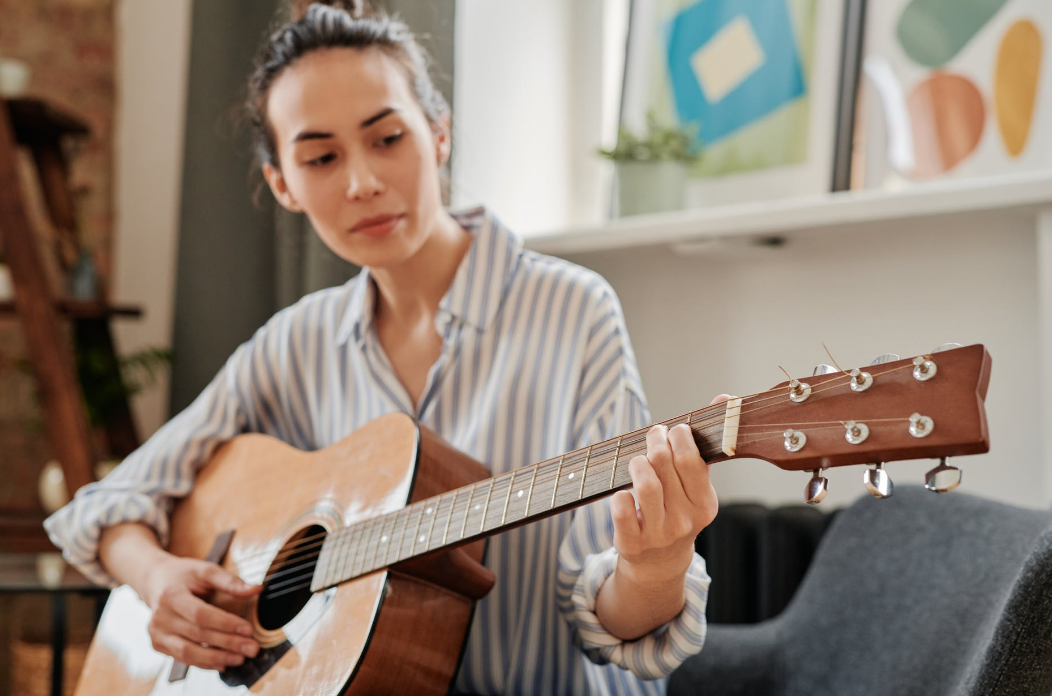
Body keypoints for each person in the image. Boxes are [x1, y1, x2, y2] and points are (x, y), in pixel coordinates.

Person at [44, 2, 720, 693]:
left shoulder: (574, 311)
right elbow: (109, 504)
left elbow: (608, 620)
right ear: (284, 185)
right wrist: (159, 580)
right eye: (321, 157)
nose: (361, 181)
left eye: (387, 138)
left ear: (439, 134)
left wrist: (655, 568)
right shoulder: (294, 345)